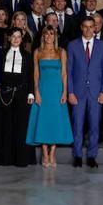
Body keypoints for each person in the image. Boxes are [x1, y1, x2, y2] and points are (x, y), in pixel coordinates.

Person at [66, 17, 103, 168]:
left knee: (94, 125)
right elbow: (69, 71)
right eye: (85, 27)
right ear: (81, 27)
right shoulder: (72, 45)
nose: (88, 30)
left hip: (96, 92)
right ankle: (77, 156)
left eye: (91, 27)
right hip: (77, 93)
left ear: (95, 28)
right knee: (77, 125)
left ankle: (92, 156)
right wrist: (70, 92)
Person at [27, 26, 71, 167]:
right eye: (46, 34)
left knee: (55, 120)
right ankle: (45, 153)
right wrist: (36, 91)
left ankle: (53, 152)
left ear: (55, 36)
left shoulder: (61, 52)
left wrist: (65, 92)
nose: (49, 36)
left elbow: (64, 74)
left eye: (51, 34)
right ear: (43, 36)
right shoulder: (38, 52)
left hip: (57, 90)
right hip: (43, 90)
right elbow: (35, 74)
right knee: (43, 120)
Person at [0, 29, 33, 167]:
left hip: (22, 94)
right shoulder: (1, 54)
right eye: (13, 36)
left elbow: (30, 76)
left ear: (22, 39)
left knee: (20, 126)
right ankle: (4, 158)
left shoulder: (27, 56)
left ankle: (20, 159)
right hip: (4, 93)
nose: (16, 39)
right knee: (5, 125)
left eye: (18, 37)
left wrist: (31, 93)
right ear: (9, 38)